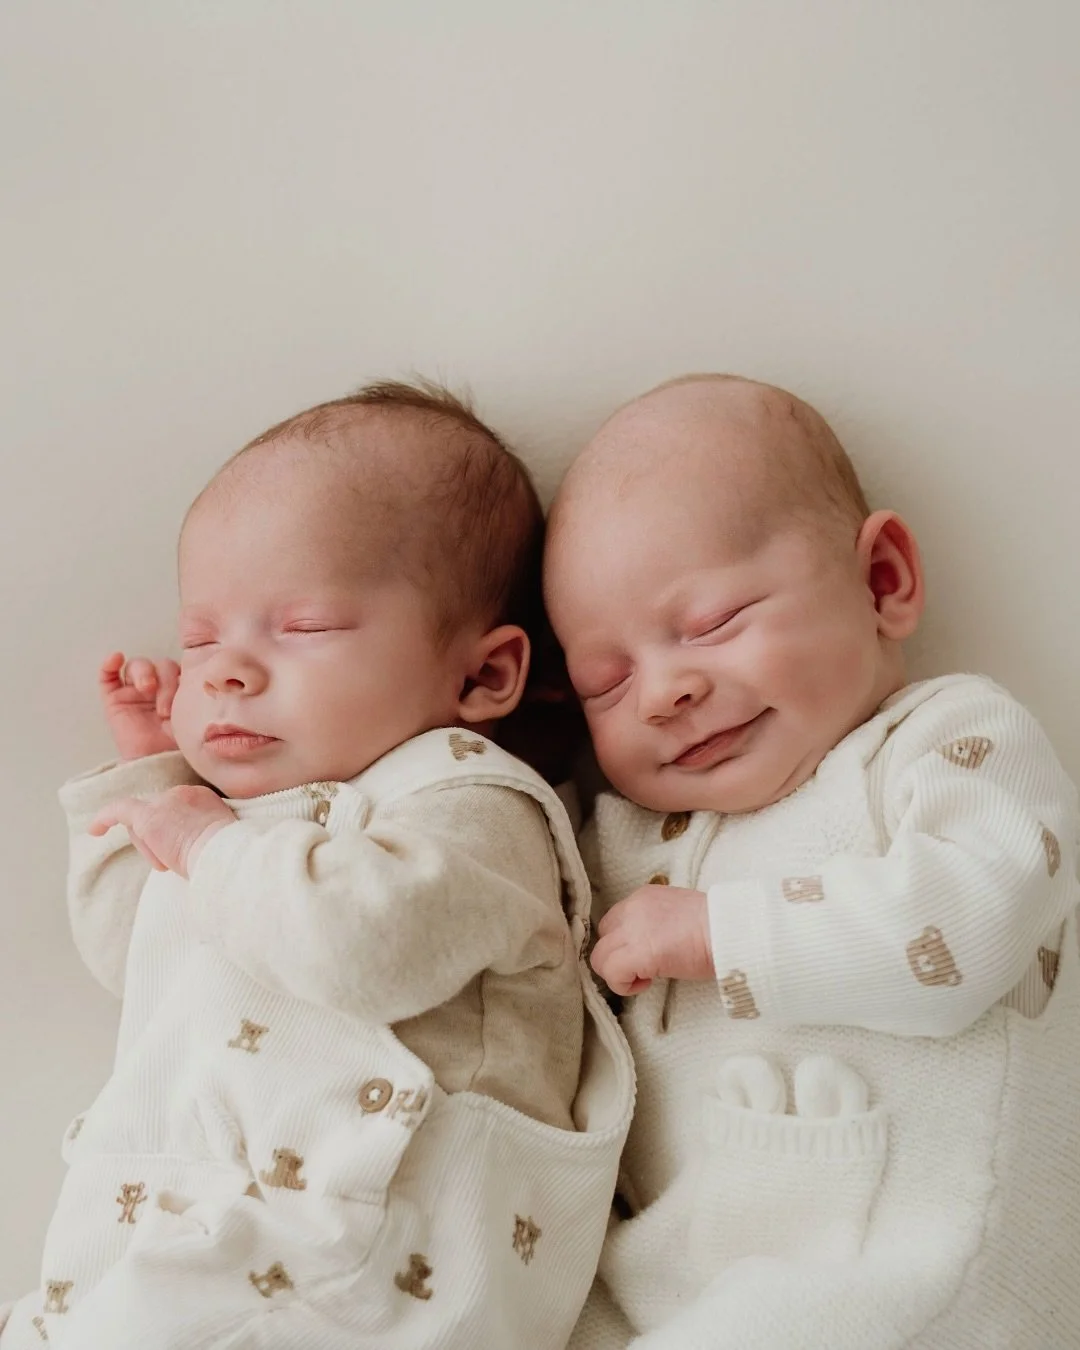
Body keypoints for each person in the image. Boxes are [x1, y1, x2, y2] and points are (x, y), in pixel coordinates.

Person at [0, 381, 633, 1350]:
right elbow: (139, 958)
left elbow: (362, 945)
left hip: (369, 1255)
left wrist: (204, 840)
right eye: (203, 638)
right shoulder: (249, 824)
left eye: (300, 629)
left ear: (482, 675)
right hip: (181, 1227)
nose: (225, 671)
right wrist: (150, 783)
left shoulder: (472, 803)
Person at [544, 374, 1080, 1349]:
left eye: (710, 624)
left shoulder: (945, 743)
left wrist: (723, 932)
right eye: (605, 682)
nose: (661, 692)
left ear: (882, 581)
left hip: (915, 1263)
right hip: (675, 1278)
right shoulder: (620, 843)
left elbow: (976, 919)